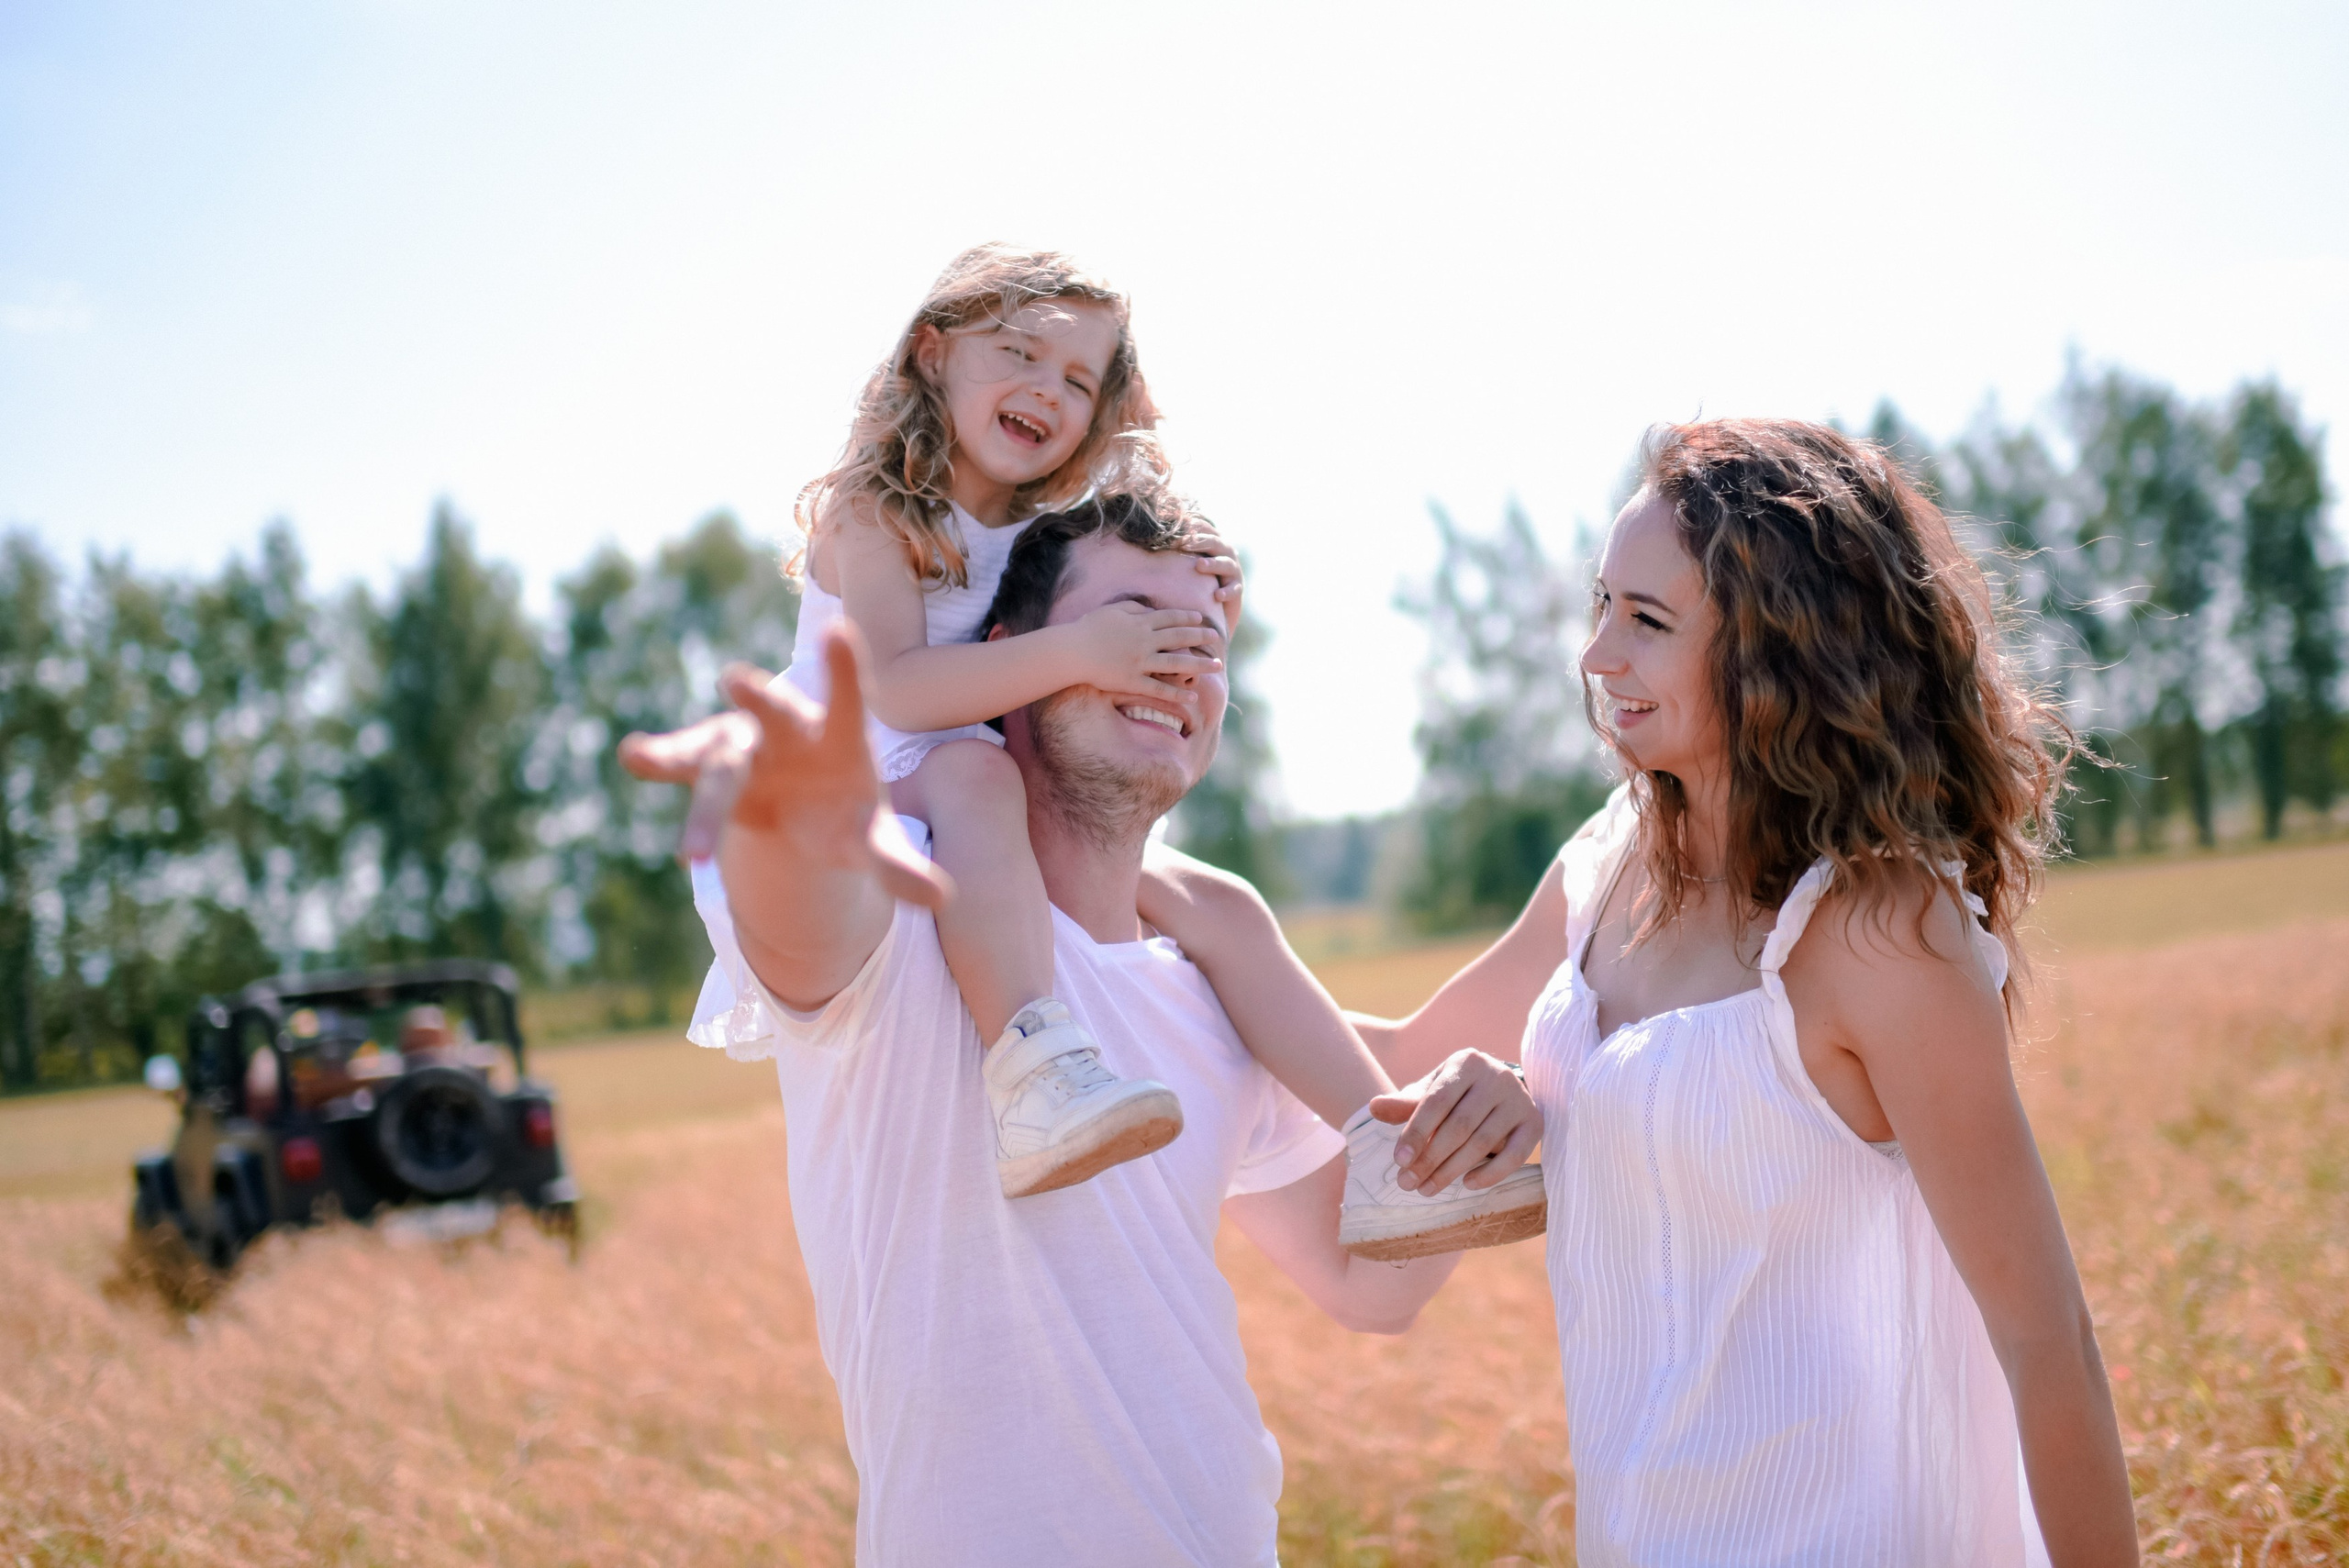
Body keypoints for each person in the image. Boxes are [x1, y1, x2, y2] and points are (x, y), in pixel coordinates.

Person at [618, 497, 1529, 1564]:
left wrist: (1505, 1094)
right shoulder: (912, 927)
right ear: (1009, 660)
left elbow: (1372, 1282)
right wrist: (784, 816)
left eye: (1203, 640)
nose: (1175, 660)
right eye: (1135, 617)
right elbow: (802, 918)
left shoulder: (1212, 980)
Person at [1366, 421, 2139, 1565]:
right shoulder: (1609, 859)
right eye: (1601, 606)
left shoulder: (1877, 929)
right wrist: (1171, 904)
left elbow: (2046, 1340)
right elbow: (1397, 1052)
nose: (1594, 655)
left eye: (1646, 621)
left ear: (1778, 657)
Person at [783, 242, 1541, 1255]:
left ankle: (1387, 1151)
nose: (1044, 390)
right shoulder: (880, 511)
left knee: (1217, 905)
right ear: (931, 354)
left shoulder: (1033, 519)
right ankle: (1034, 1068)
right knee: (976, 772)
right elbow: (899, 693)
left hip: (981, 783)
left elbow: (1094, 581)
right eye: (1017, 353)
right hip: (869, 779)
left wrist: (1199, 597)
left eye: (1076, 380)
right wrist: (1085, 647)